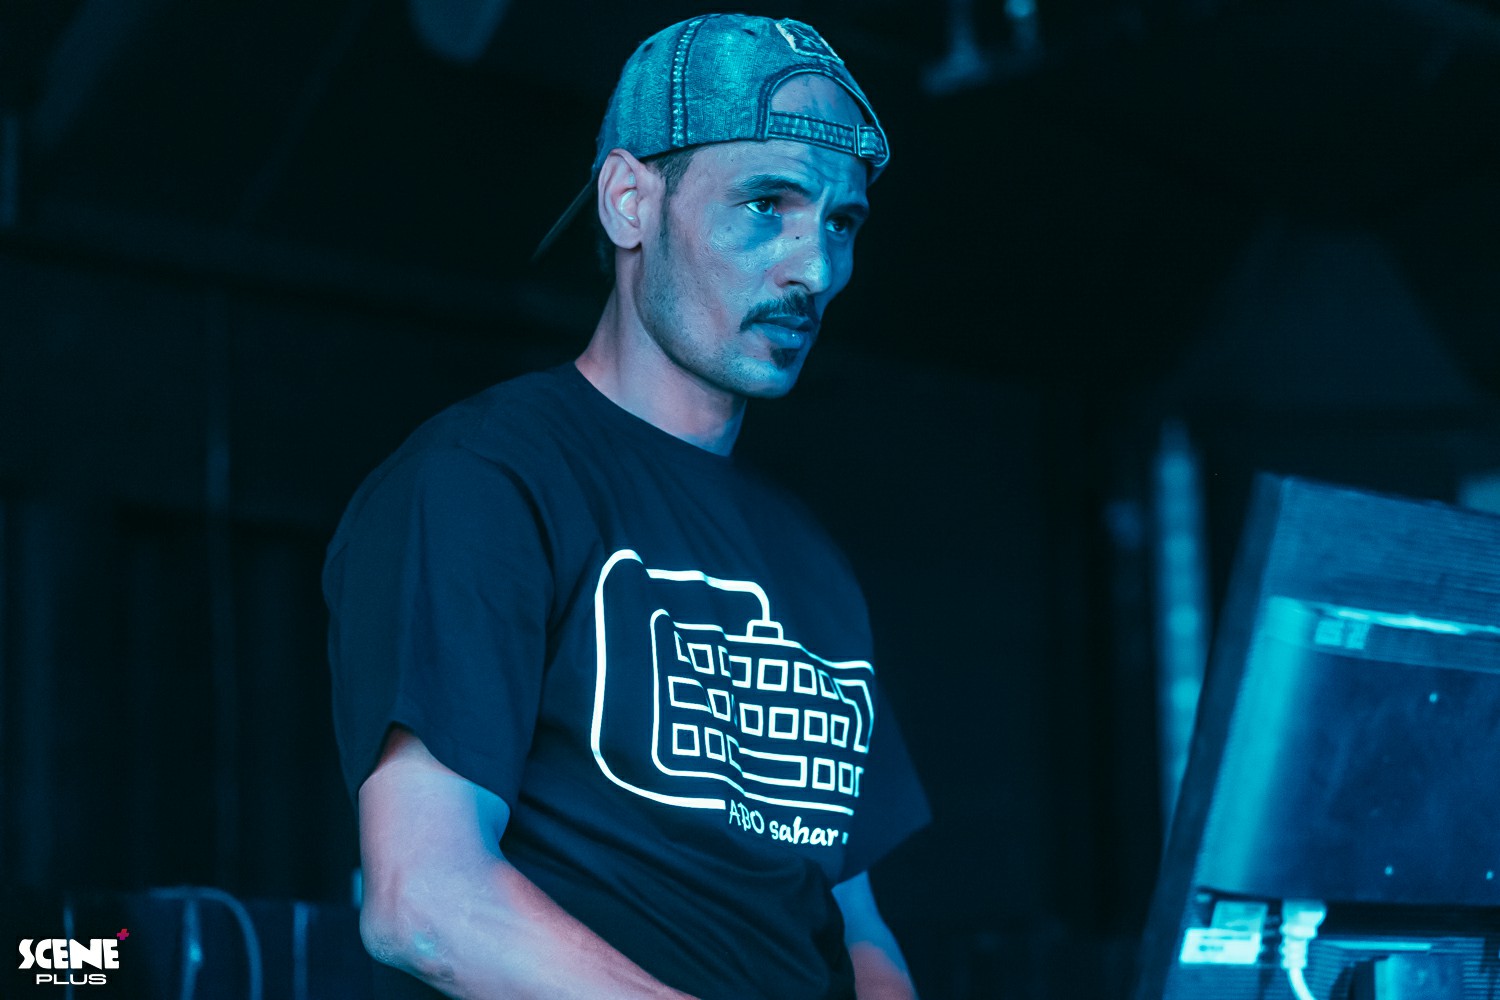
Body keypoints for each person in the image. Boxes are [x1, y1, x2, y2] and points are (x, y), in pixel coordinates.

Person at [324, 14, 929, 1000]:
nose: (814, 269)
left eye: (841, 223)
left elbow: (857, 927)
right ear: (629, 202)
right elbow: (424, 898)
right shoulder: (486, 478)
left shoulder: (808, 558)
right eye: (765, 203)